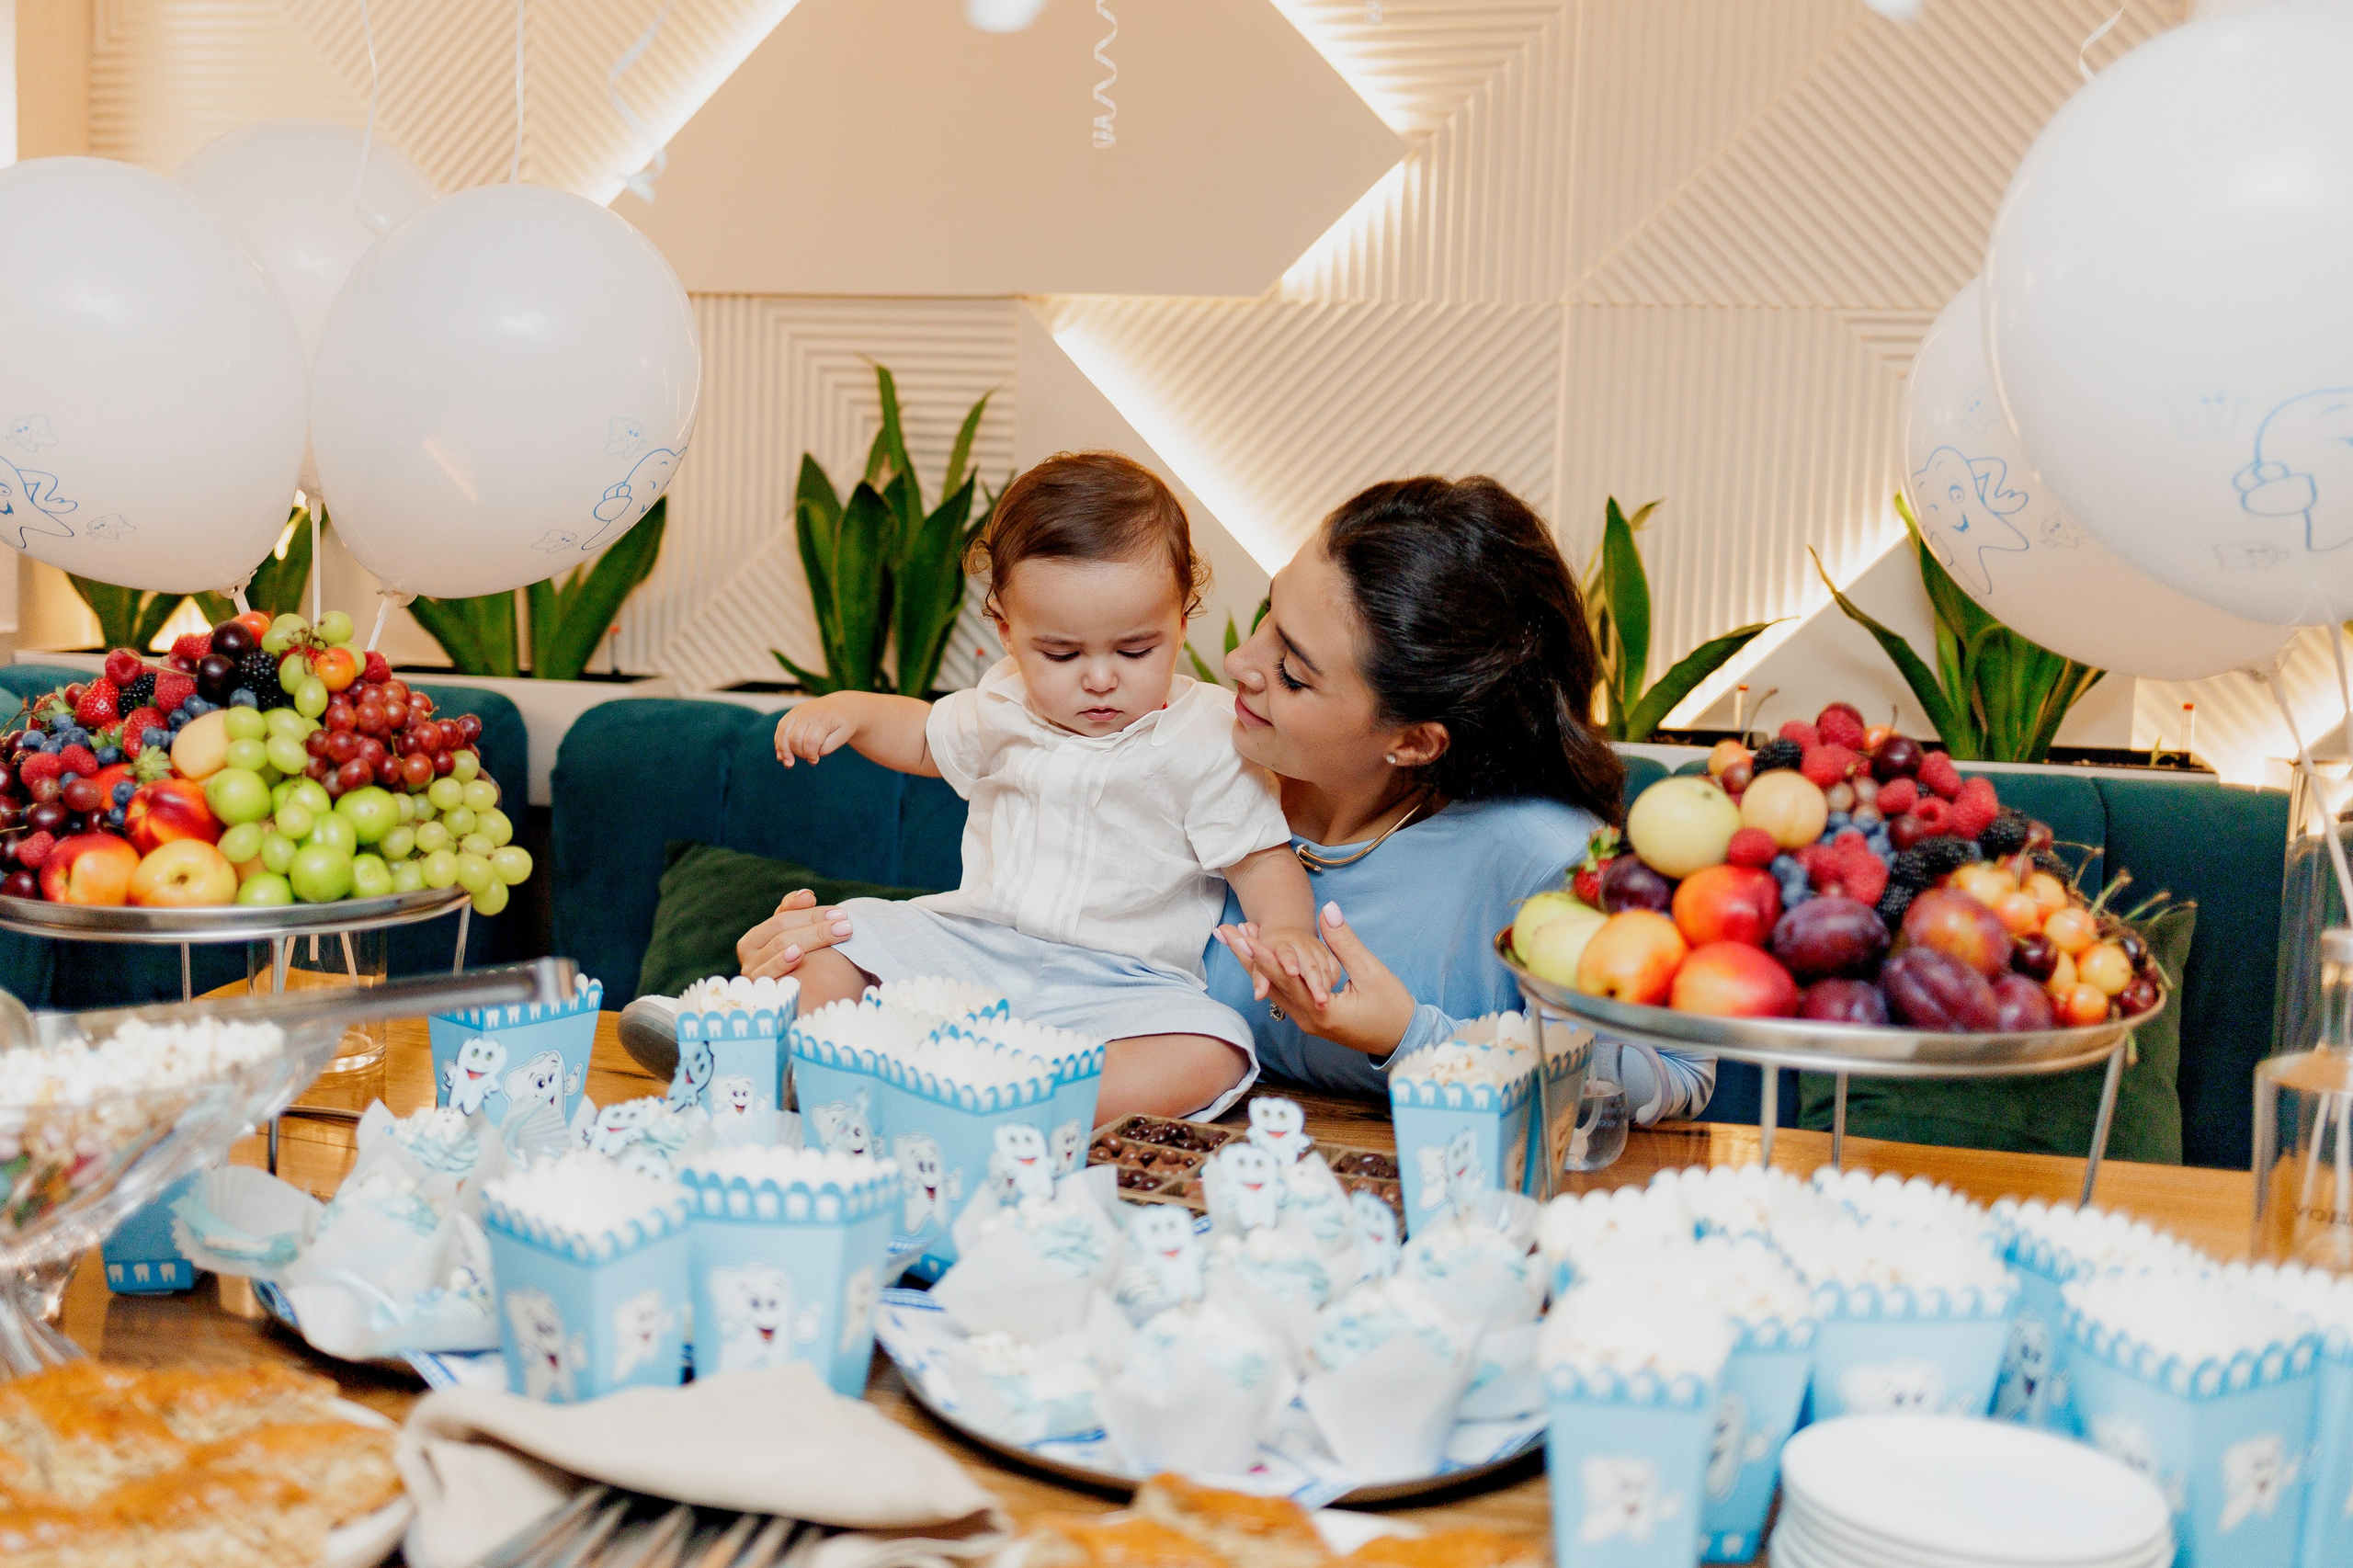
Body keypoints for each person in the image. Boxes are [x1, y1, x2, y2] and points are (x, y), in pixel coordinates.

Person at [741, 472, 1713, 1125]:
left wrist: (1401, 1034)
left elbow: (1677, 1077)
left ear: (1412, 737)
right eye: (1262, 624)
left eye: (1291, 672)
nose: (1237, 668)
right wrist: (808, 946)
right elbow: (1008, 924)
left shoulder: (1535, 857)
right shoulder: (1171, 749)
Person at [766, 450, 1339, 1120]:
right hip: (973, 947)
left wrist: (1293, 931)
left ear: (1183, 619)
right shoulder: (1004, 703)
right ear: (1009, 633)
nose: (1100, 679)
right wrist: (855, 711)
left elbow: (1259, 857)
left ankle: (1011, 1104)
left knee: (1213, 1049)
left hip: (1122, 984)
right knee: (831, 937)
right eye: (1061, 654)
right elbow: (925, 737)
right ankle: (809, 1066)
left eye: (1135, 650)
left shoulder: (1208, 735)